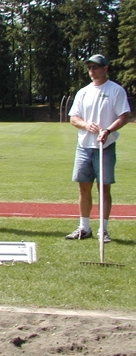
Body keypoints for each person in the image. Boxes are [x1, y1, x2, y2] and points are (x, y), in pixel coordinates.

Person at [65, 54, 130, 242]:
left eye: (96, 67)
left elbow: (123, 116)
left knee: (104, 188)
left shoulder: (116, 90)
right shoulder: (83, 92)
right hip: (84, 146)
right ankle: (84, 228)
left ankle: (103, 229)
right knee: (83, 188)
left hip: (105, 146)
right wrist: (86, 125)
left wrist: (108, 131)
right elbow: (73, 118)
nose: (92, 71)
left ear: (105, 68)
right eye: (90, 67)